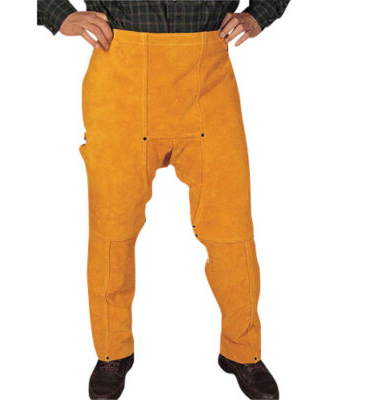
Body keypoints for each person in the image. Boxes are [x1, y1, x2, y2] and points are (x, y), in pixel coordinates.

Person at [37, 1, 290, 399]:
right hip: (119, 79)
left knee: (231, 230)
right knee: (113, 231)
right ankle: (112, 352)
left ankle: (242, 351)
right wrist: (57, 13)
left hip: (207, 79)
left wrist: (260, 14)